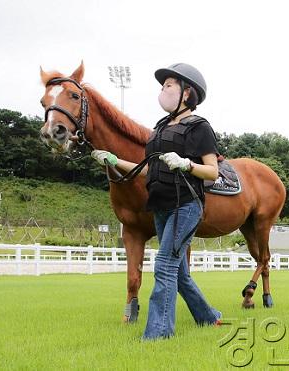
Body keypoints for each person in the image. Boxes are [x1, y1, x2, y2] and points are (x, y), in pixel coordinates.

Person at [90, 63, 222, 339]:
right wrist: (115, 161)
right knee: (179, 272)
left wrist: (187, 164)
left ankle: (158, 334)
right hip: (160, 205)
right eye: (162, 86)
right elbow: (149, 169)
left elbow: (212, 171)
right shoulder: (160, 128)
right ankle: (209, 317)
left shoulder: (199, 127)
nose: (163, 90)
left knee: (164, 266)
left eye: (169, 85)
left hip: (186, 205)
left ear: (187, 93)